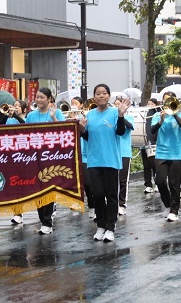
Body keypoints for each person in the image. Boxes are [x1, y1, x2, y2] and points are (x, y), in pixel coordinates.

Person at [79, 83, 130, 242]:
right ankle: (100, 226)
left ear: (109, 96)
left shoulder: (115, 112)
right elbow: (88, 137)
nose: (101, 96)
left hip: (111, 160)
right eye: (98, 93)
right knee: (98, 194)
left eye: (104, 93)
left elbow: (120, 132)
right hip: (94, 161)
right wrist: (81, 129)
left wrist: (121, 116)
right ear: (94, 97)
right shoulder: (90, 115)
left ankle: (110, 227)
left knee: (111, 195)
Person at [24, 87, 65, 234]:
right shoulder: (31, 116)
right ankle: (43, 219)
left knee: (48, 187)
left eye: (42, 97)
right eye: (37, 97)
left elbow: (65, 133)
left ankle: (47, 222)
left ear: (49, 99)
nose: (39, 100)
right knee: (38, 189)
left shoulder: (57, 113)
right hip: (35, 158)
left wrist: (54, 118)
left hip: (52, 157)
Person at [151, 91, 181, 222]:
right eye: (165, 100)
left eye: (170, 101)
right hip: (161, 152)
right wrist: (161, 120)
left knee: (174, 183)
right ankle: (167, 204)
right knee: (159, 180)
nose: (168, 103)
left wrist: (175, 113)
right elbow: (152, 130)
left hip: (176, 153)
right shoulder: (157, 115)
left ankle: (174, 210)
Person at [6, 99, 28, 225]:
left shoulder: (28, 117)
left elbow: (26, 126)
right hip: (13, 155)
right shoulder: (10, 119)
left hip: (26, 155)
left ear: (24, 109)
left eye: (18, 106)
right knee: (16, 185)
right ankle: (17, 213)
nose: (16, 108)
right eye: (14, 106)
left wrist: (16, 116)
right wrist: (6, 116)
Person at [114, 96, 134, 215]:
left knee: (122, 179)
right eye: (115, 104)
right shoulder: (111, 117)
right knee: (111, 179)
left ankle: (122, 204)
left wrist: (121, 115)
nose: (117, 106)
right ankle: (112, 202)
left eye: (119, 104)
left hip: (124, 152)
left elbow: (130, 126)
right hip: (112, 152)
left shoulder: (129, 116)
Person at [141, 98, 160, 193]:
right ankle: (148, 184)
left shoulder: (158, 113)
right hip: (144, 143)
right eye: (148, 104)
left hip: (154, 143)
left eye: (152, 104)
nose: (150, 105)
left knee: (155, 165)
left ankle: (157, 183)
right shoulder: (144, 113)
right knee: (146, 166)